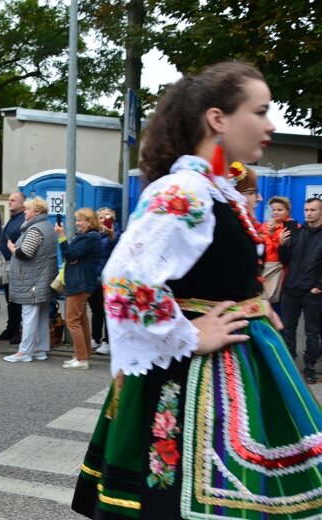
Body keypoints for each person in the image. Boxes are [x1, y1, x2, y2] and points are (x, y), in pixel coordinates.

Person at [72, 62, 322, 519]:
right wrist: (188, 334)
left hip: (242, 358)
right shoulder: (186, 189)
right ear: (217, 119)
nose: (269, 126)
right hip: (200, 373)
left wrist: (255, 302)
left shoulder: (216, 188)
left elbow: (216, 270)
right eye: (261, 111)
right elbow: (126, 279)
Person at [3, 197, 58, 363]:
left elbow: (25, 253)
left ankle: (24, 351)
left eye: (27, 209)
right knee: (41, 315)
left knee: (29, 316)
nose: (25, 212)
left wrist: (12, 248)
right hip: (42, 279)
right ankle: (40, 349)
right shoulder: (47, 226)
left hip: (32, 280)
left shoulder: (35, 229)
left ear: (37, 212)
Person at [278, 197, 322, 384]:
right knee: (288, 329)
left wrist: (319, 286)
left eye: (312, 210)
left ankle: (310, 366)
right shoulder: (296, 231)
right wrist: (282, 246)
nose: (308, 213)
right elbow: (285, 260)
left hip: (311, 291)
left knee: (312, 331)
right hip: (290, 289)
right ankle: (289, 365)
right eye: (306, 210)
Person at [55, 208, 102, 369]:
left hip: (79, 283)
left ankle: (81, 359)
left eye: (79, 220)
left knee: (72, 320)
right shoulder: (88, 237)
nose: (76, 223)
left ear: (89, 221)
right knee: (81, 320)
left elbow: (69, 256)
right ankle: (83, 354)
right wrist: (72, 257)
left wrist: (61, 237)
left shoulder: (89, 238)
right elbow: (71, 257)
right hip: (81, 282)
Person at [89, 207, 121, 356]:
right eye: (100, 217)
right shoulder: (95, 234)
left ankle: (107, 341)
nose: (103, 220)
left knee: (107, 311)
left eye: (106, 217)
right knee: (96, 311)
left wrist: (111, 235)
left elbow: (118, 248)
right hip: (94, 276)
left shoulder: (117, 233)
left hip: (108, 278)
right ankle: (95, 338)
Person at [0, 191, 25, 344]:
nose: (9, 202)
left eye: (13, 200)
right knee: (10, 299)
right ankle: (10, 328)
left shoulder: (23, 220)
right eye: (9, 200)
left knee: (16, 299)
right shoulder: (13, 218)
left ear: (22, 203)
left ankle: (17, 331)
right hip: (7, 264)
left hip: (16, 264)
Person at [260, 195, 299, 312]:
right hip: (263, 268)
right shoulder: (264, 225)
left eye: (280, 210)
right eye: (273, 209)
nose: (275, 212)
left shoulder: (292, 227)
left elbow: (288, 252)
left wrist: (272, 236)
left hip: (278, 270)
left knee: (275, 302)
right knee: (261, 302)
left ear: (287, 211)